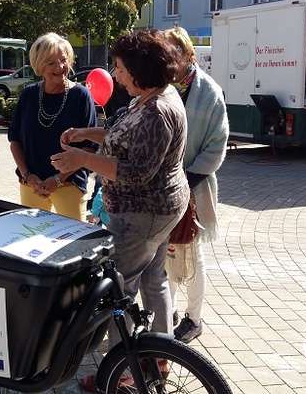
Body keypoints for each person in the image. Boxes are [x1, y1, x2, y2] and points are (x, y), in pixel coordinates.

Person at [51, 30, 189, 374]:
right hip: (157, 211)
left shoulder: (158, 110)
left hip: (142, 213)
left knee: (119, 289)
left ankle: (123, 374)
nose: (115, 75)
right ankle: (161, 355)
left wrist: (81, 160)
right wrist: (87, 134)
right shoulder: (152, 97)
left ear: (140, 69)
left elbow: (135, 171)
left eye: (120, 67)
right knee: (153, 278)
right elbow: (122, 137)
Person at [163, 27, 229, 343]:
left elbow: (217, 145)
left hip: (195, 188)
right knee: (167, 253)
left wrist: (186, 180)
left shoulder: (210, 92)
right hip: (164, 190)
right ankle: (168, 311)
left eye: (174, 54)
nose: (169, 61)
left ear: (190, 55)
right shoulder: (164, 87)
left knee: (192, 255)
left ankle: (193, 318)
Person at [8, 32, 96, 220]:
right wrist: (28, 175)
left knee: (72, 243)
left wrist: (58, 179)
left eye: (63, 60)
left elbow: (89, 147)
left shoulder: (81, 96)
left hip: (69, 184)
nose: (60, 67)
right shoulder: (28, 95)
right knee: (30, 238)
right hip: (31, 184)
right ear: (39, 65)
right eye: (51, 63)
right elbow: (14, 140)